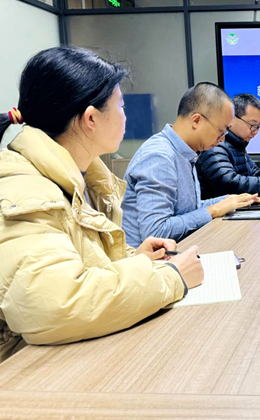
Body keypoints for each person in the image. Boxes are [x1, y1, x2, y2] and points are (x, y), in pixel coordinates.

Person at [0, 46, 203, 362]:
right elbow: (57, 306)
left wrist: (134, 259)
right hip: (27, 371)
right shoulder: (27, 189)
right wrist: (170, 277)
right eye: (120, 105)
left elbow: (79, 264)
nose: (125, 115)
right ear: (91, 118)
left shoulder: (81, 177)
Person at [122, 84, 260, 247]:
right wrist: (213, 210)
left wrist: (232, 200)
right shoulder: (159, 156)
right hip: (152, 260)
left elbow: (191, 209)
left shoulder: (186, 152)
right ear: (196, 120)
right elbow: (156, 232)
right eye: (221, 131)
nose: (222, 139)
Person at [196, 93, 260, 199]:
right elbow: (229, 183)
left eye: (258, 126)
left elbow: (252, 172)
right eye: (252, 125)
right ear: (232, 118)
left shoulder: (238, 144)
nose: (255, 131)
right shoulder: (215, 145)